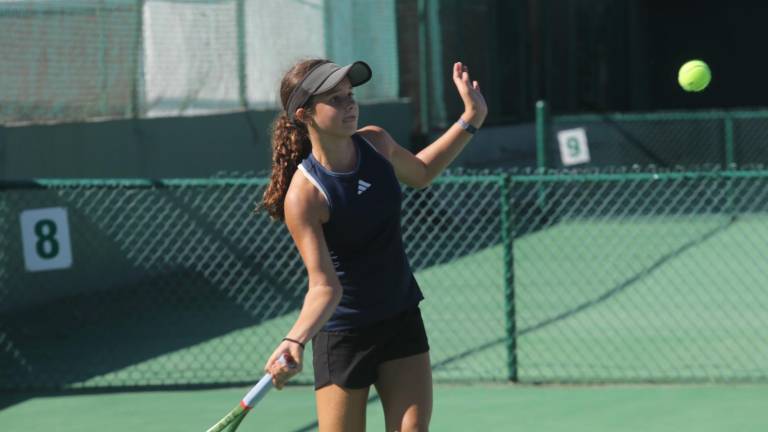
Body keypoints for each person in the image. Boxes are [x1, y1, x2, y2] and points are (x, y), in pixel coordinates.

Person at [259, 58, 487, 432]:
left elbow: (421, 173)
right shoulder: (304, 197)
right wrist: (294, 340)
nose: (350, 104)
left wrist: (471, 118)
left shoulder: (376, 143)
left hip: (400, 315)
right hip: (344, 335)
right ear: (305, 114)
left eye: (350, 95)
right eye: (335, 99)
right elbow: (324, 286)